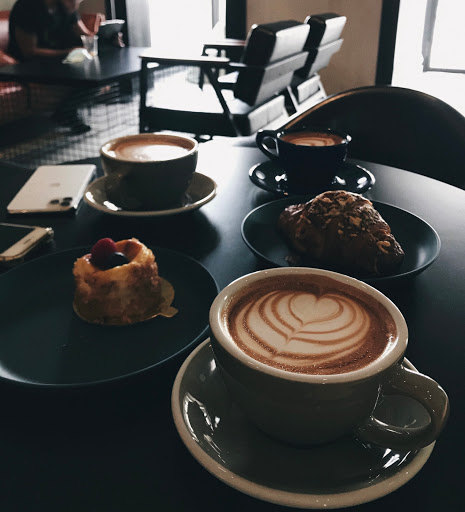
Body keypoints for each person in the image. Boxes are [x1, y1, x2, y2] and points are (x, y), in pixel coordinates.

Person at [8, 0, 98, 133]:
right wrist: (67, 53)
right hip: (30, 65)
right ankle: (66, 112)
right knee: (86, 75)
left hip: (60, 60)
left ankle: (66, 111)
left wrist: (106, 37)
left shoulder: (66, 6)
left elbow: (84, 35)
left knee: (98, 75)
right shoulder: (26, 7)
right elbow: (29, 52)